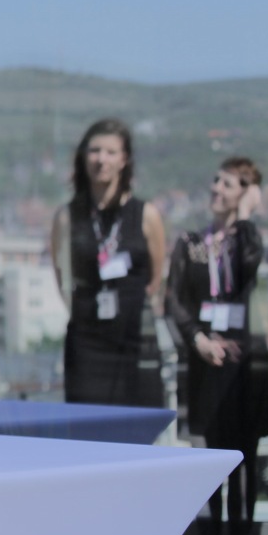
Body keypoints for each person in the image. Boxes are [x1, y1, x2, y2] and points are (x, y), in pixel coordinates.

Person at [168, 157, 268, 535]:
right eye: (216, 180)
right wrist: (198, 339)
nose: (217, 188)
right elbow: (174, 301)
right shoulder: (191, 243)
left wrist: (246, 215)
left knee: (245, 467)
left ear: (246, 194)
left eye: (229, 184)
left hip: (247, 368)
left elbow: (249, 267)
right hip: (207, 365)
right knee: (210, 464)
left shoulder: (249, 238)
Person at [49, 118, 168, 407]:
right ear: (83, 157)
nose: (101, 159)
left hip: (135, 336)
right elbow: (60, 274)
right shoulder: (67, 217)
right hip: (87, 339)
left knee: (140, 418)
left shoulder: (146, 214)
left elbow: (157, 275)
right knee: (87, 423)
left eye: (110, 152)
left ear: (124, 159)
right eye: (95, 151)